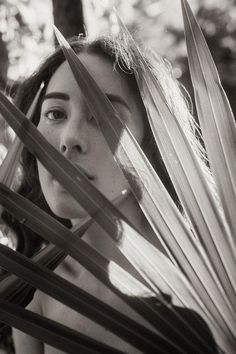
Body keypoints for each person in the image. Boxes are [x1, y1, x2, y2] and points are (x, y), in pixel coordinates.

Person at [2, 34, 217, 354]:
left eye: (103, 115)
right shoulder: (39, 307)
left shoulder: (214, 283)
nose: (70, 137)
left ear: (155, 140)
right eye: (55, 113)